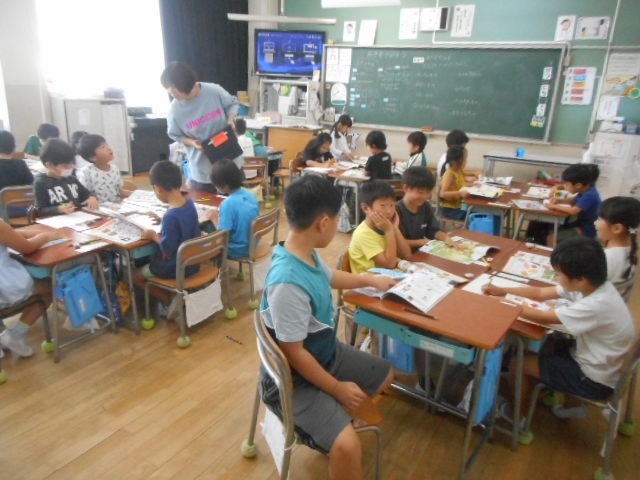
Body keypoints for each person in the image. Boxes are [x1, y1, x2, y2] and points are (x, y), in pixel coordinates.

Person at [260, 174, 395, 480]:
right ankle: (333, 432)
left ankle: (335, 419)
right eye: (337, 220)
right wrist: (335, 388)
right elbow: (294, 354)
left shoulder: (303, 251)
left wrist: (369, 280)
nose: (337, 226)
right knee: (347, 447)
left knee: (386, 375)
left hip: (323, 353)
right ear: (323, 223)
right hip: (293, 380)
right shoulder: (288, 282)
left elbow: (330, 276)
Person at [484, 237, 636, 418]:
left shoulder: (596, 304)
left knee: (518, 363)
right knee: (547, 343)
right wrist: (504, 290)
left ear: (580, 279)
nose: (556, 277)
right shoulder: (595, 285)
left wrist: (502, 302)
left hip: (593, 380)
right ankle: (536, 384)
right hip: (599, 361)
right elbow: (541, 292)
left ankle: (517, 416)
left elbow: (544, 317)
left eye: (558, 274)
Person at [132, 161, 201, 311]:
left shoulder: (171, 216)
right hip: (193, 263)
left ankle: (169, 300)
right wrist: (162, 220)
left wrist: (153, 236)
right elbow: (182, 224)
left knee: (135, 276)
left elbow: (167, 249)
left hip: (174, 267)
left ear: (158, 189)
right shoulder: (188, 203)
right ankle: (172, 296)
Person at [161, 61, 240, 192]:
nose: (172, 93)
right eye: (169, 89)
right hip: (204, 170)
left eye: (174, 88)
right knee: (207, 204)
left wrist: (231, 119)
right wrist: (192, 142)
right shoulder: (174, 111)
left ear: (185, 83)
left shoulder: (213, 91)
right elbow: (175, 135)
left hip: (231, 162)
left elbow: (232, 104)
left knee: (237, 203)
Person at [0, 219, 64, 357]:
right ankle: (15, 335)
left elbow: (11, 233)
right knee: (49, 287)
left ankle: (10, 336)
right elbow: (27, 247)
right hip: (6, 285)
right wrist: (46, 236)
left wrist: (39, 232)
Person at [527, 164, 601, 245]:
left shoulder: (589, 195)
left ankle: (552, 251)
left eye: (567, 185)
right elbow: (572, 201)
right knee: (546, 226)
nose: (565, 187)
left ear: (578, 185)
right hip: (579, 223)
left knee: (551, 238)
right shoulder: (585, 189)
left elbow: (573, 211)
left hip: (586, 229)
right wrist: (558, 201)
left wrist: (554, 206)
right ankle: (535, 241)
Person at [348, 180, 410, 273]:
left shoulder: (384, 227)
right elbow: (390, 264)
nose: (389, 211)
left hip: (387, 276)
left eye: (392, 205)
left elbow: (406, 255)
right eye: (383, 205)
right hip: (368, 280)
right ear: (366, 208)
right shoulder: (363, 234)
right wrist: (389, 231)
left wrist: (395, 229)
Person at [209, 158, 260, 258]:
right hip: (253, 243)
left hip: (238, 249)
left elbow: (223, 235)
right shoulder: (250, 194)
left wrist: (214, 218)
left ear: (223, 186)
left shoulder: (227, 204)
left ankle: (216, 264)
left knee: (207, 228)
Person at [396, 166, 456, 251]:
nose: (425, 196)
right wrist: (421, 242)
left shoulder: (425, 206)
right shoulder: (396, 210)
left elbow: (433, 230)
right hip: (403, 254)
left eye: (428, 192)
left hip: (421, 252)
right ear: (405, 188)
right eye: (420, 192)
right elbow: (396, 242)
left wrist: (446, 238)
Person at [33, 139, 99, 216]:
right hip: (56, 220)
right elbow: (40, 210)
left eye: (71, 163)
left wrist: (91, 197)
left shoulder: (72, 179)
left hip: (77, 217)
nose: (70, 167)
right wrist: (58, 209)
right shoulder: (41, 183)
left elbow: (87, 194)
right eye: (65, 166)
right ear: (50, 165)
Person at [595, 196, 640, 283]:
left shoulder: (603, 259)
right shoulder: (634, 250)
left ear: (617, 228)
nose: (595, 222)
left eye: (599, 219)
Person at [76, 134, 131, 203]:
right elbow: (83, 195)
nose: (109, 148)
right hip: (99, 208)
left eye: (107, 144)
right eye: (103, 147)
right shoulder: (86, 172)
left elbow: (119, 191)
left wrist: (137, 194)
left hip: (116, 206)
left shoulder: (115, 169)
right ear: (92, 157)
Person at [438, 145, 470, 220]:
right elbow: (443, 194)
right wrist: (460, 193)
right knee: (475, 214)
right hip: (450, 210)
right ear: (456, 161)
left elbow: (461, 184)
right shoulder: (449, 174)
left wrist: (473, 185)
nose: (466, 162)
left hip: (459, 206)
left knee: (476, 211)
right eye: (464, 159)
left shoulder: (459, 171)